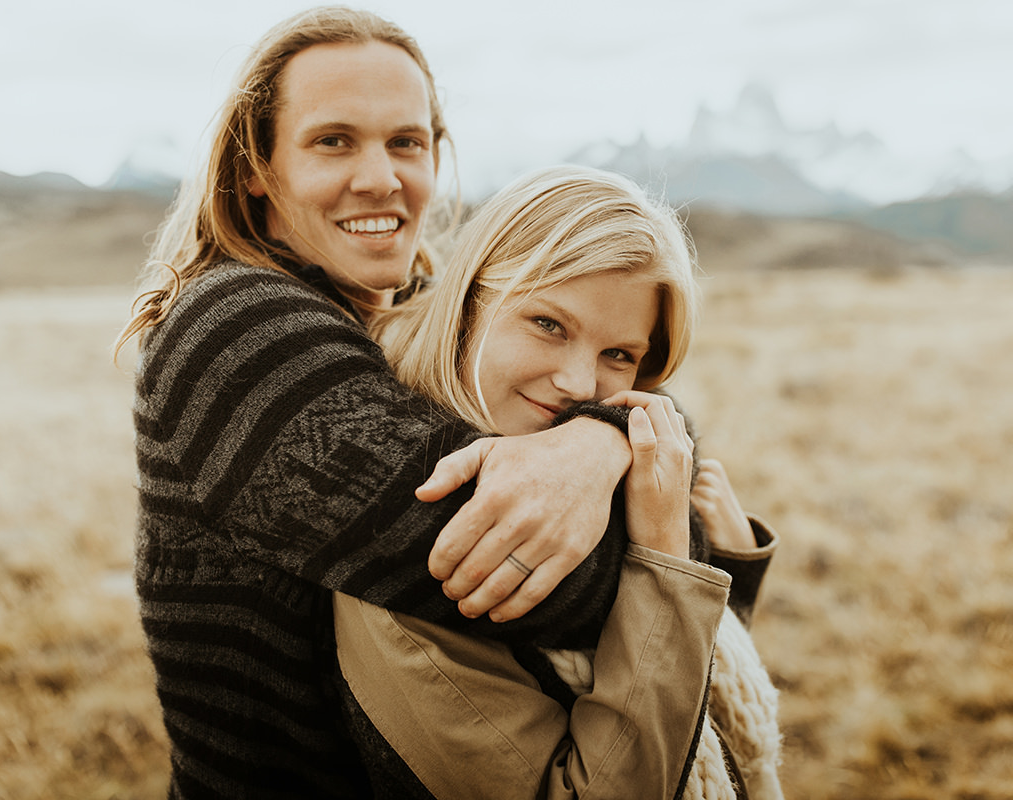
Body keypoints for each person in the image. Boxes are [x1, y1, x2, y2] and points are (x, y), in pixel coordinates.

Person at [115, 9, 668, 799]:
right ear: (254, 168)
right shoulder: (234, 328)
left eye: (406, 142)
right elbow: (559, 588)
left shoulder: (411, 312)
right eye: (333, 140)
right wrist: (637, 474)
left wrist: (601, 442)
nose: (381, 178)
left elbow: (640, 411)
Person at [334, 166, 784, 799]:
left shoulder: (615, 483)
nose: (578, 384)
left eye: (617, 355)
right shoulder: (424, 525)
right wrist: (665, 553)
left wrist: (725, 569)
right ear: (469, 303)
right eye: (549, 324)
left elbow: (689, 711)